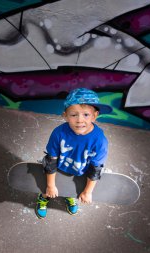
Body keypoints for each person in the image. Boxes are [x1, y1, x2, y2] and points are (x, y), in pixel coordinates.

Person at [36, 88, 112, 219]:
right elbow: (51, 160)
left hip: (81, 171)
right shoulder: (59, 133)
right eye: (73, 115)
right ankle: (43, 197)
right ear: (65, 115)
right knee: (48, 190)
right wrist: (50, 185)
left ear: (95, 115)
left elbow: (96, 169)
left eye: (86, 115)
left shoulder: (100, 141)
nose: (79, 120)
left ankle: (70, 196)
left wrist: (88, 192)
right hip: (58, 168)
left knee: (72, 188)